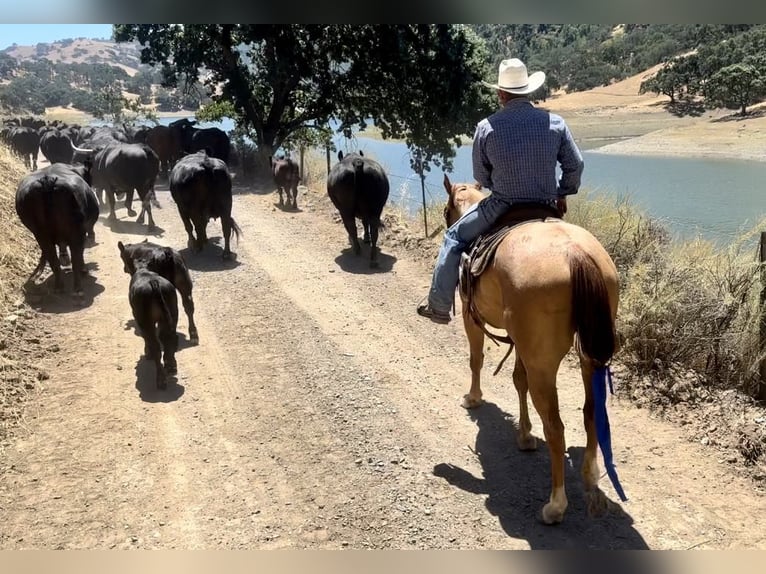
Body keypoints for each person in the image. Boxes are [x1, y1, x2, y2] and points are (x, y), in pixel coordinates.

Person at [417, 57, 584, 324]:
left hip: (501, 205)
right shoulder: (556, 123)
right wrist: (562, 192)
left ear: (501, 93)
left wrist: (503, 185)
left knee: (453, 237)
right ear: (528, 90)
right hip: (546, 204)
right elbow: (575, 165)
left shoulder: (486, 127)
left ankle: (438, 306)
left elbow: (480, 176)